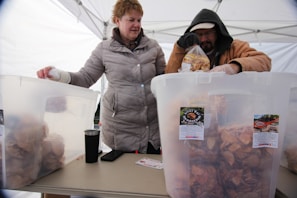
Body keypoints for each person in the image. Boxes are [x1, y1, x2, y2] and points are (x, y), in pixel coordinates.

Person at [37, 0, 166, 154]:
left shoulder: (153, 47)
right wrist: (59, 76)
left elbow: (163, 81)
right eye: (131, 20)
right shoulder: (104, 49)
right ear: (117, 21)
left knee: (150, 175)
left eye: (139, 20)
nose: (137, 24)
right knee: (124, 176)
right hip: (120, 131)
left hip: (151, 130)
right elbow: (84, 78)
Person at [165, 8, 271, 74]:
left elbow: (264, 61)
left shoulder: (234, 47)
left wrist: (234, 66)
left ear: (217, 32)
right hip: (197, 103)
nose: (204, 39)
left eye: (208, 33)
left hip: (229, 102)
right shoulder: (187, 53)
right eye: (200, 34)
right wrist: (178, 48)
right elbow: (169, 76)